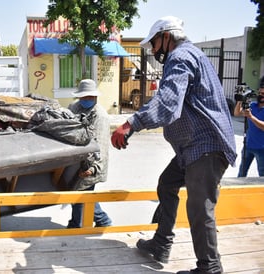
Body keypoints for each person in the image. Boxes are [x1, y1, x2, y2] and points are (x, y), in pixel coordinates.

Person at [111, 16, 237, 274]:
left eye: (155, 44)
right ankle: (161, 244)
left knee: (199, 208)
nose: (154, 50)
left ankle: (210, 267)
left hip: (205, 146)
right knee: (167, 184)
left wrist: (131, 123)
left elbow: (168, 103)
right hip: (191, 148)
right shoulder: (191, 56)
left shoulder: (180, 57)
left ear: (166, 36)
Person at [66, 79, 112, 228]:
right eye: (83, 97)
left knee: (81, 194)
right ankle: (100, 222)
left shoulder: (100, 116)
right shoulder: (74, 107)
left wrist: (92, 168)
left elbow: (101, 146)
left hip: (92, 163)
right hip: (76, 159)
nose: (86, 100)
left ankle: (77, 225)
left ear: (95, 97)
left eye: (89, 97)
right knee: (80, 194)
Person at [234, 76, 264, 177]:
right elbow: (237, 113)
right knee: (241, 173)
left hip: (262, 148)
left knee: (262, 175)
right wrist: (240, 99)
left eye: (263, 94)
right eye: (259, 93)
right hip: (248, 146)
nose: (261, 96)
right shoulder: (253, 105)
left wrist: (251, 117)